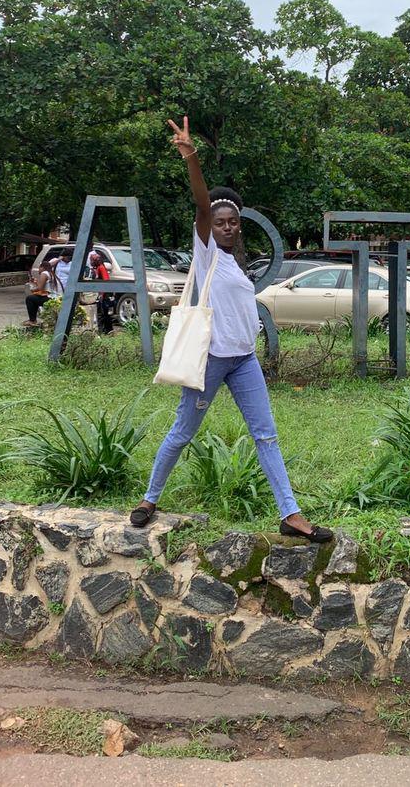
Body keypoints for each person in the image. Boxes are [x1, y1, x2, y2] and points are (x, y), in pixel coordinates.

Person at [129, 115, 333, 543]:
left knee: (266, 434)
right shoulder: (207, 252)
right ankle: (150, 498)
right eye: (220, 222)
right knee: (183, 432)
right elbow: (203, 205)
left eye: (232, 222)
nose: (226, 226)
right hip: (210, 362)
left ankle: (290, 513)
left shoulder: (236, 265)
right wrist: (192, 158)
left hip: (244, 360)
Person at [89, 250, 115, 334]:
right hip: (100, 293)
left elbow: (105, 281)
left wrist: (102, 294)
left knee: (103, 313)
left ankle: (106, 330)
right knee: (101, 313)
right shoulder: (96, 269)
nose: (91, 262)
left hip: (104, 294)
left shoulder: (101, 268)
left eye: (92, 260)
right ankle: (105, 329)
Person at [24, 259, 56, 326]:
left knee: (29, 299)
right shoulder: (51, 273)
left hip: (50, 298)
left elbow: (40, 288)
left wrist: (32, 290)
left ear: (42, 267)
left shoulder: (44, 273)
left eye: (39, 268)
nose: (39, 270)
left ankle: (32, 320)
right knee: (34, 298)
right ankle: (33, 319)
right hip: (54, 296)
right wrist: (35, 282)